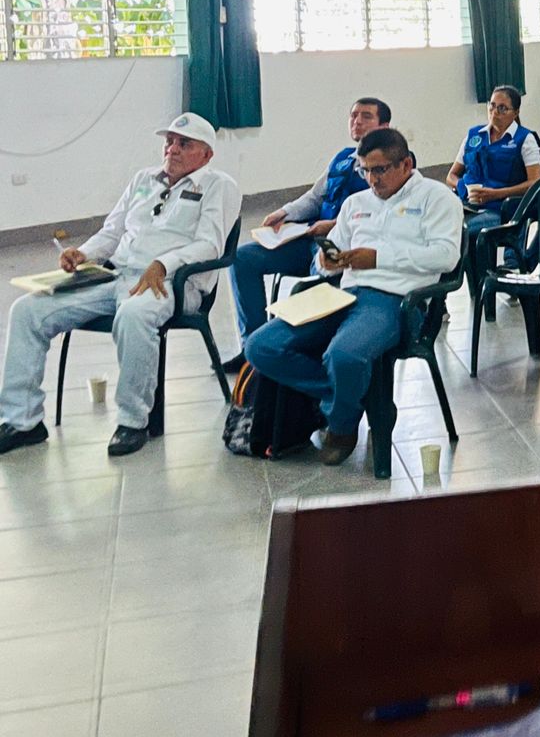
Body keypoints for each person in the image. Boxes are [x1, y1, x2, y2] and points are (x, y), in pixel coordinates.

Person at [0, 113, 241, 458]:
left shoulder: (219, 186)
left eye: (183, 143)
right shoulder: (144, 179)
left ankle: (133, 421)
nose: (172, 149)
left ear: (206, 154)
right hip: (116, 275)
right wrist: (82, 253)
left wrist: (163, 264)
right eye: (169, 141)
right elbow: (112, 232)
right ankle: (21, 422)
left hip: (173, 284)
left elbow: (210, 245)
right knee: (26, 310)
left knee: (133, 315)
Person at [244, 128, 462, 466]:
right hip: (342, 293)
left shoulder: (436, 198)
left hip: (396, 300)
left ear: (405, 164)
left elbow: (445, 257)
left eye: (380, 170)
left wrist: (377, 258)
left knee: (344, 355)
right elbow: (330, 260)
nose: (372, 180)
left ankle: (342, 426)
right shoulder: (355, 204)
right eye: (365, 171)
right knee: (261, 346)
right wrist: (327, 262)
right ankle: (352, 399)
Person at [228, 97, 390, 358]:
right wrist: (284, 212)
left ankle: (294, 350)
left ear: (384, 126)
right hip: (311, 237)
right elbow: (315, 197)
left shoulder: (391, 165)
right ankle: (251, 348)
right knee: (242, 259)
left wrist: (333, 224)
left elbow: (384, 212)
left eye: (366, 116)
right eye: (353, 116)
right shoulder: (343, 158)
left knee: (315, 279)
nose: (357, 121)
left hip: (343, 248)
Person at [447, 85, 540, 298]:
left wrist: (496, 194)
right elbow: (451, 175)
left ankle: (445, 291)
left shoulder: (524, 139)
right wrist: (463, 187)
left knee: (458, 232)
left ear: (515, 113)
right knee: (438, 226)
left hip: (500, 208)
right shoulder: (474, 135)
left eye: (502, 108)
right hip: (468, 202)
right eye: (492, 106)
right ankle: (443, 294)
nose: (495, 113)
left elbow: (534, 182)